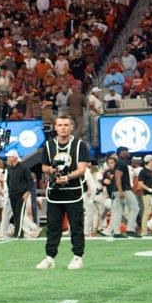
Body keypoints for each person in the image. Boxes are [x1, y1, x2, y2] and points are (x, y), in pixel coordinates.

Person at [31, 114, 91, 269]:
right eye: (60, 125)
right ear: (55, 127)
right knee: (53, 227)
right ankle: (49, 257)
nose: (63, 128)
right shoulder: (49, 145)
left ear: (71, 127)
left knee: (76, 226)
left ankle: (78, 256)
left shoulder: (79, 145)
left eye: (66, 125)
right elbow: (44, 167)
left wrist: (68, 177)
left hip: (73, 191)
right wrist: (51, 170)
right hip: (54, 192)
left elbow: (82, 168)